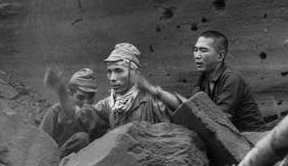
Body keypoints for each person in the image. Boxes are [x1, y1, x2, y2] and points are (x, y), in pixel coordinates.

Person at [45, 43, 185, 134]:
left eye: (118, 71)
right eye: (109, 71)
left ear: (134, 72)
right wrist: (61, 91)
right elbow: (78, 117)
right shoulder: (108, 105)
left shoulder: (150, 101)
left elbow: (190, 109)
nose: (112, 77)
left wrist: (153, 90)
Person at [192, 30, 265, 132]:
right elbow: (192, 107)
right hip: (225, 136)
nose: (197, 56)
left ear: (220, 56)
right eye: (195, 50)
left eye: (203, 50)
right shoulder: (203, 79)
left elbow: (220, 119)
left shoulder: (232, 79)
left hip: (251, 138)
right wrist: (162, 94)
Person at [40, 68, 101, 158]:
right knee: (82, 138)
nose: (86, 102)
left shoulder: (93, 115)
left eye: (90, 97)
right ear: (70, 95)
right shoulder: (55, 112)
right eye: (80, 97)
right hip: (54, 161)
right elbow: (40, 143)